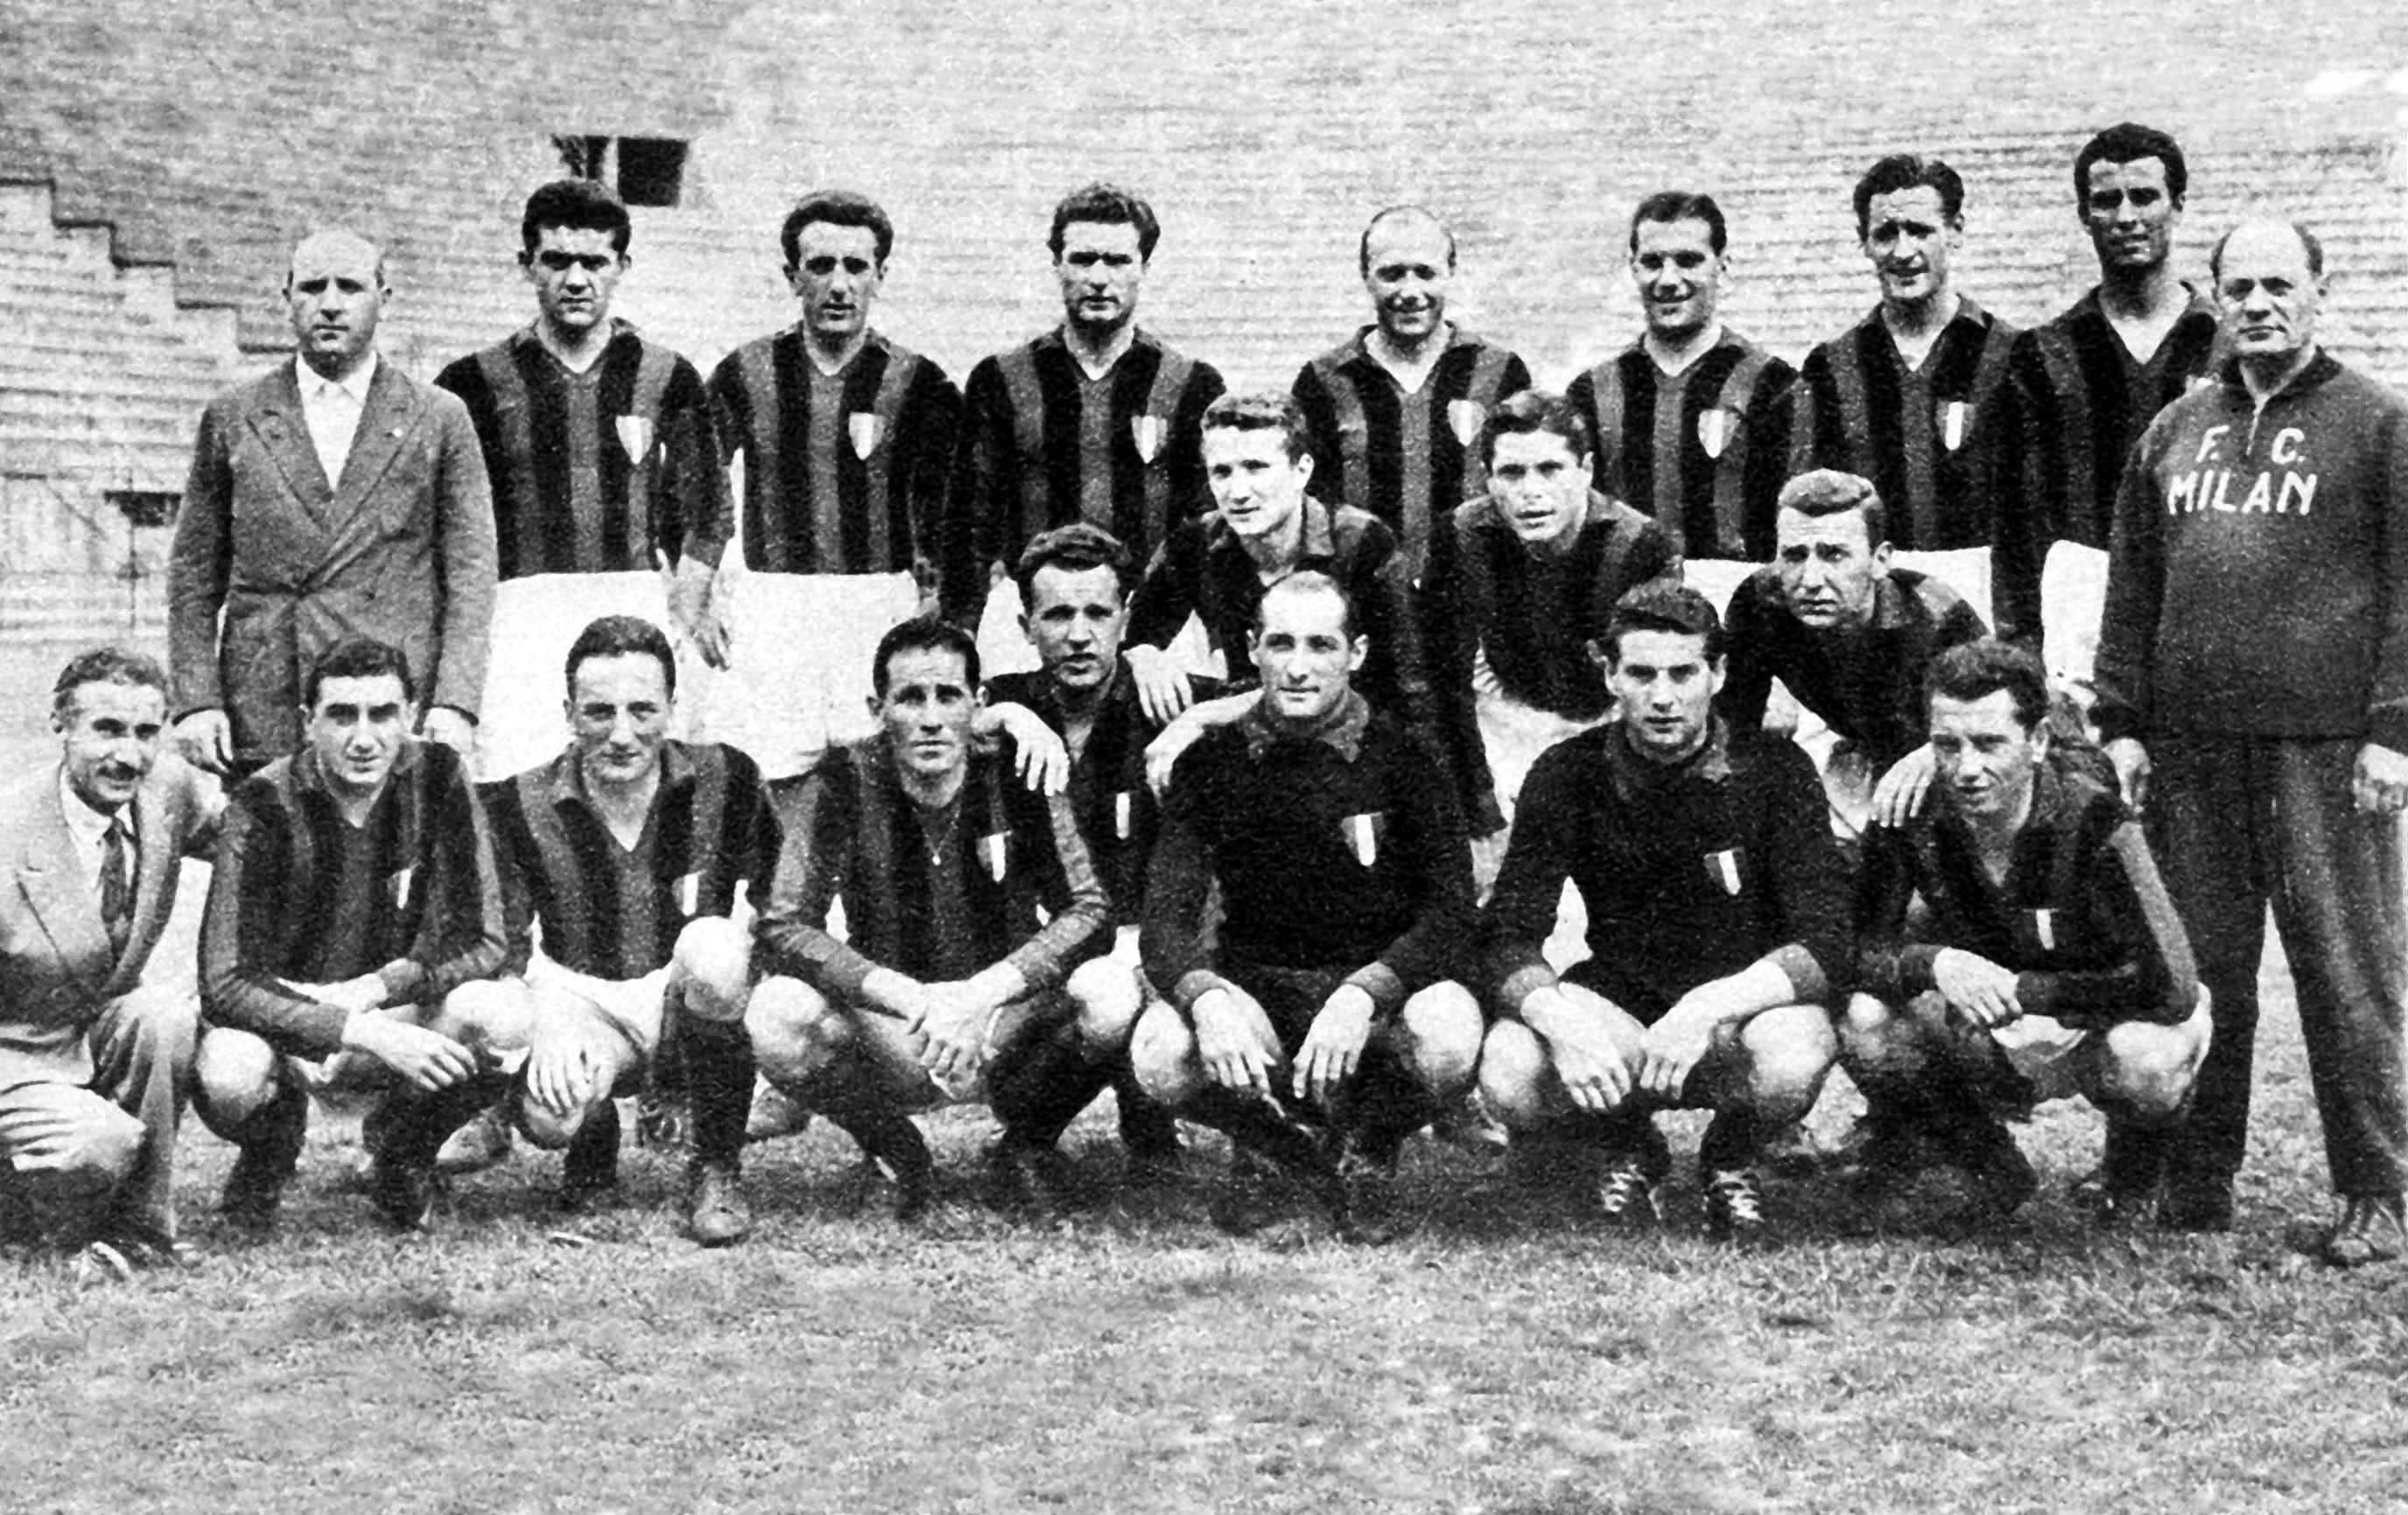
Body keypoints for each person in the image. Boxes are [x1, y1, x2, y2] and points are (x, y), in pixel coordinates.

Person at [2094, 218, 2408, 1264]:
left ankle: (2375, 1190)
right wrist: (2123, 722)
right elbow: (2133, 585)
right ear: (2216, 298)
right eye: (2240, 287)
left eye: (2280, 283)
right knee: (2199, 973)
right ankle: (2196, 1178)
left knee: (2347, 974)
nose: (2260, 303)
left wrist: (2394, 732)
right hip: (2193, 752)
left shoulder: (2377, 424)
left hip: (2326, 751)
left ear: (2321, 289)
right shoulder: (2176, 428)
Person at [1477, 580, 1846, 1241]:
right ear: (1610, 676)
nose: (1663, 696)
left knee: (1797, 1048)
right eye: (1642, 674)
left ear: (1718, 673)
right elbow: (1507, 931)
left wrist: (1707, 1007)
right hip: (1619, 1008)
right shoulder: (1566, 772)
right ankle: (1625, 1143)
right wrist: (1558, 1019)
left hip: (1737, 1015)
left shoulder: (1776, 769)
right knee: (1509, 1064)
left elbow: (1826, 939)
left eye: (1683, 673)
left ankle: (1732, 1154)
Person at [1132, 572, 1483, 1244]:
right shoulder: (1209, 763)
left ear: (1356, 653)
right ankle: (1273, 1146)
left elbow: (1451, 913)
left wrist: (1366, 991)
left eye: (1321, 645)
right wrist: (1207, 999)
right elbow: (1164, 922)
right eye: (1280, 643)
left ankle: (1367, 1145)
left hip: (1371, 1004)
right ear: (1251, 648)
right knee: (1160, 1051)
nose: (1297, 667)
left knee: (1450, 1031)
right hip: (1261, 993)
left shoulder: (1407, 759)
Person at [747, 617, 1122, 1217]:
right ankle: (897, 1150)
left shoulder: (1018, 768)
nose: (930, 718)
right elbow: (783, 925)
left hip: (1003, 1018)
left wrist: (983, 992)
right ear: (878, 709)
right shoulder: (842, 779)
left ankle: (1027, 1144)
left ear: (978, 703)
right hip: (898, 1024)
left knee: (1111, 993)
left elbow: (1090, 909)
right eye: (910, 698)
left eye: (948, 696)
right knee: (775, 1012)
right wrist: (904, 995)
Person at [1844, 639, 2209, 1223]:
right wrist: (1935, 964)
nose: (1966, 768)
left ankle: (2134, 1170)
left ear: (2037, 740)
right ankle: (1986, 1162)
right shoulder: (1908, 814)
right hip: (1985, 1018)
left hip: (2091, 1013)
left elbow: (2172, 985)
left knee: (2147, 1058)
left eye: (1989, 743)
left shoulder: (2095, 818)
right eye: (1946, 745)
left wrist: (2026, 992)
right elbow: (1855, 948)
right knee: (1866, 1020)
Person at [455, 616, 780, 1245]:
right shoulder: (519, 803)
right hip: (583, 1000)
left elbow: (780, 900)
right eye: (600, 712)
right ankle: (593, 1128)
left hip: (685, 993)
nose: (623, 734)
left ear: (672, 708)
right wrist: (544, 1023)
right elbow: (502, 948)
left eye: (642, 710)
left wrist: (758, 984)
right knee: (551, 1117)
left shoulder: (728, 778)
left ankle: (716, 1166)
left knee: (714, 945)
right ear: (568, 714)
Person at [192, 638, 511, 1233]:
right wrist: (351, 1026)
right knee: (228, 1070)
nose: (363, 738)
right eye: (342, 715)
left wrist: (381, 987)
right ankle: (272, 1146)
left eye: (382, 714)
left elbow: (487, 938)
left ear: (410, 715)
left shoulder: (439, 775)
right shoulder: (261, 800)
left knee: (503, 1015)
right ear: (307, 721)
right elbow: (224, 982)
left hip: (391, 1005)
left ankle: (404, 1151)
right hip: (293, 1013)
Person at [168, 228, 495, 779]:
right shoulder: (233, 415)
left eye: (350, 287)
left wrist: (454, 703)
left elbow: (472, 573)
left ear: (383, 300)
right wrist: (196, 701)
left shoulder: (439, 417)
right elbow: (193, 573)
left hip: (387, 704)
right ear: (287, 300)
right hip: (265, 698)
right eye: (312, 287)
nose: (331, 305)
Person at [435, 178, 733, 780]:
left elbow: (711, 505)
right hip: (517, 611)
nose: (576, 279)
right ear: (527, 264)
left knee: (628, 775)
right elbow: (446, 522)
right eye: (557, 261)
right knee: (516, 777)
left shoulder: (666, 373)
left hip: (629, 599)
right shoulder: (471, 381)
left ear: (622, 266)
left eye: (594, 262)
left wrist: (686, 601)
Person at [975, 524, 1219, 1174]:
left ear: (1125, 617)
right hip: (1046, 952)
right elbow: (924, 721)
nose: (1079, 634)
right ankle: (1028, 1134)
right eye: (1058, 615)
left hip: (1149, 945)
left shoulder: (1163, 694)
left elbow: (1280, 699)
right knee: (1097, 989)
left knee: (1132, 974)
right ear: (1026, 625)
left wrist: (1196, 712)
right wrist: (1005, 717)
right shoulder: (1010, 699)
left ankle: (1150, 1131)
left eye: (1097, 613)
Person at [703, 190, 962, 784]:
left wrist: (935, 599)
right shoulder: (744, 372)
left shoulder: (921, 382)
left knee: (879, 781)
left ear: (880, 276)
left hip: (878, 602)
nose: (839, 285)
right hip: (774, 606)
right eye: (820, 266)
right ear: (792, 276)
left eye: (856, 267)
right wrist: (703, 591)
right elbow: (690, 490)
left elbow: (951, 508)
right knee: (762, 777)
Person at [0, 650, 221, 1274]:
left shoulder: (166, 792)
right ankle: (26, 1213)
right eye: (107, 729)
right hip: (13, 1054)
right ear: (61, 724)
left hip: (91, 1031)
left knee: (163, 1015)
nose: (128, 754)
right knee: (101, 1139)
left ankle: (141, 1229)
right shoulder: (7, 833)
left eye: (146, 732)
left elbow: (257, 843)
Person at [940, 183, 1225, 659]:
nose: (1098, 278)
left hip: (1153, 624)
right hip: (1032, 622)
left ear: (1144, 267)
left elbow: (1207, 527)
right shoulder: (1002, 379)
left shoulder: (1192, 384)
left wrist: (1216, 638)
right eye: (1083, 259)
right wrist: (960, 631)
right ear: (1057, 265)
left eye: (1117, 261)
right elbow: (970, 521)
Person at [1992, 123, 2222, 666]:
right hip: (2081, 617)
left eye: (2143, 197)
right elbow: (2017, 521)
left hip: (2205, 607)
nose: (2125, 217)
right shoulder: (2042, 354)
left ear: (2178, 205)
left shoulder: (2225, 345)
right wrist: (2023, 642)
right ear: (2083, 214)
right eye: (2106, 201)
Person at [1422, 389, 1679, 842]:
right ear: (1488, 478)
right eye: (1512, 473)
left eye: (1550, 469)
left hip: (1608, 720)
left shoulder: (1642, 545)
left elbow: (1657, 683)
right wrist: (1477, 801)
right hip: (1506, 718)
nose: (1531, 492)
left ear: (1586, 470)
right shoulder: (1460, 535)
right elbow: (1443, 679)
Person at [1123, 391, 1429, 736]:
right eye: (1222, 472)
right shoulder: (1197, 542)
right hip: (1249, 734)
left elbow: (1404, 685)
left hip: (1343, 733)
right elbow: (1131, 632)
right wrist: (1145, 656)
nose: (1238, 492)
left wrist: (1212, 713)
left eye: (1256, 468)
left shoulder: (1362, 543)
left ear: (1302, 470)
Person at [1780, 155, 2021, 571]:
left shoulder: (2011, 354)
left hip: (1984, 588)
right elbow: (1806, 503)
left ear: (1955, 231)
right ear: (1864, 242)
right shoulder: (1830, 366)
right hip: (1872, 592)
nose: (1903, 251)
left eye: (1920, 231)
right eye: (1886, 234)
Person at [1720, 470, 1987, 845]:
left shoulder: (1938, 616)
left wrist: (1938, 749)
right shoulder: (1760, 602)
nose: (1811, 580)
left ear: (1880, 560)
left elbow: (2009, 710)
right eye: (1794, 556)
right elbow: (1735, 725)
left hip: (1941, 761)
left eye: (1834, 555)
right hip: (1860, 754)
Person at [1292, 206, 1531, 579]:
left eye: (1425, 272)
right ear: (1366, 276)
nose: (1410, 291)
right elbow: (1305, 507)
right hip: (1362, 592)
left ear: (1450, 271)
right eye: (1391, 274)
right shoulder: (1323, 380)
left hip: (1473, 591)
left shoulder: (1500, 372)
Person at [1566, 192, 1795, 565]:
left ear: (1722, 265)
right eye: (1652, 262)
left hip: (1733, 592)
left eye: (1688, 261)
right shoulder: (1592, 392)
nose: (1668, 280)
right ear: (1633, 267)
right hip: (1626, 595)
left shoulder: (1773, 384)